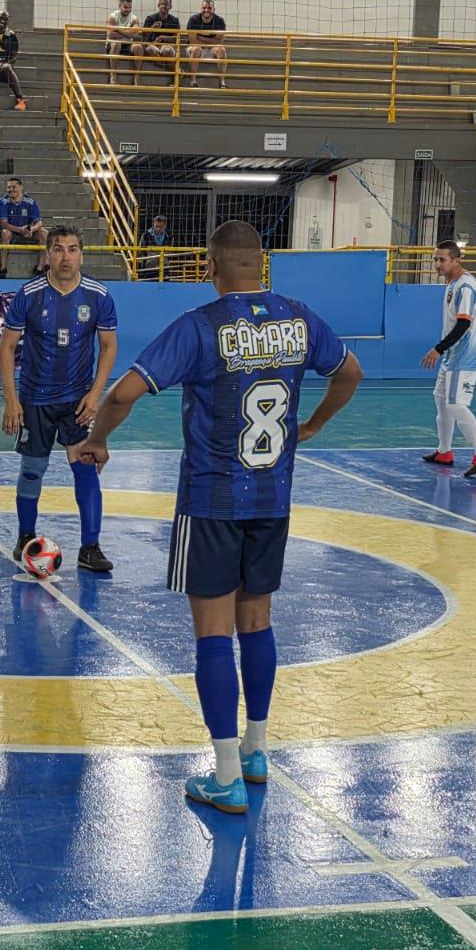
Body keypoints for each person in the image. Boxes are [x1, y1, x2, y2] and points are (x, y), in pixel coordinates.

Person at [71, 220, 363, 813]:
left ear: (210, 266)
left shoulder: (201, 327)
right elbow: (350, 373)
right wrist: (310, 428)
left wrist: (98, 441)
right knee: (257, 621)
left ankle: (225, 775)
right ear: (261, 264)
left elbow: (124, 393)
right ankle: (256, 752)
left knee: (212, 632)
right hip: (272, 498)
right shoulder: (300, 319)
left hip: (211, 501)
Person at [0, 225, 119, 574]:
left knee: (85, 469)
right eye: (58, 249)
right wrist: (12, 399)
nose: (65, 256)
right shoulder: (30, 294)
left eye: (71, 249)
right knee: (33, 470)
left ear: (81, 254)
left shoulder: (98, 295)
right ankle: (25, 537)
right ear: (47, 254)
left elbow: (109, 347)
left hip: (77, 401)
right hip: (35, 399)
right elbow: (6, 347)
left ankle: (91, 547)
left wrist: (96, 395)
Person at [419, 241, 476, 477]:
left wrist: (438, 349)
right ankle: (444, 451)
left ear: (456, 259)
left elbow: (464, 323)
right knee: (441, 399)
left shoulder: (465, 287)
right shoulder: (453, 283)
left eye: (442, 260)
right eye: (435, 259)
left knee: (455, 404)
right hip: (453, 355)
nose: (437, 264)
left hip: (464, 356)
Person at [0, 177, 46, 275]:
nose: (10, 190)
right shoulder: (3, 202)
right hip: (12, 231)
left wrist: (31, 229)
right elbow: (4, 223)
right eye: (8, 187)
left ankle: (40, 268)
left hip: (27, 232)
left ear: (21, 187)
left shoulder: (30, 202)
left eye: (13, 187)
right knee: (5, 233)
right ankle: (3, 268)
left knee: (44, 233)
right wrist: (20, 230)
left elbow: (39, 223)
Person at [138, 0, 181, 84]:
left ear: (170, 7)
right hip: (152, 45)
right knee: (150, 49)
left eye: (166, 4)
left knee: (166, 50)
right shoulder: (151, 18)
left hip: (167, 46)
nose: (164, 6)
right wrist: (153, 28)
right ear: (158, 5)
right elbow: (144, 35)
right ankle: (176, 70)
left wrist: (162, 37)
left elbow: (176, 38)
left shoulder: (174, 20)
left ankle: (174, 78)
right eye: (162, 4)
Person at [185, 0, 228, 88]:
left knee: (221, 50)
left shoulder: (219, 21)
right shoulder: (193, 19)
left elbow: (220, 41)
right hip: (195, 49)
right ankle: (193, 81)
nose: (207, 10)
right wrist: (211, 40)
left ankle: (222, 82)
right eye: (204, 8)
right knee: (196, 48)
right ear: (201, 9)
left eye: (209, 8)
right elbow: (193, 41)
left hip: (211, 49)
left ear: (214, 9)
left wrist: (201, 37)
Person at [106, 0, 141, 85]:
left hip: (128, 44)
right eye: (125, 7)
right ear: (119, 6)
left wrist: (118, 29)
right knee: (116, 44)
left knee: (138, 47)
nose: (128, 10)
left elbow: (135, 34)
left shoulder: (134, 19)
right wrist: (128, 34)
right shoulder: (112, 17)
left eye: (130, 8)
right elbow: (111, 35)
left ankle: (136, 76)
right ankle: (113, 75)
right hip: (114, 44)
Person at [139, 212, 171, 279]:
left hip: (164, 268)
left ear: (165, 226)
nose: (158, 229)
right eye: (156, 226)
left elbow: (170, 252)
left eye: (160, 227)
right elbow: (141, 251)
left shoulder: (169, 237)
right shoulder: (146, 236)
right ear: (153, 224)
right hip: (149, 268)